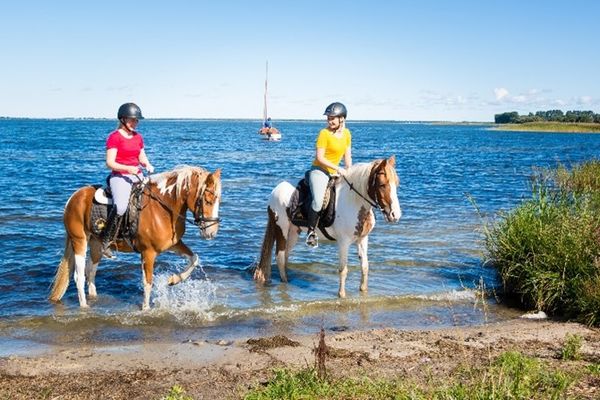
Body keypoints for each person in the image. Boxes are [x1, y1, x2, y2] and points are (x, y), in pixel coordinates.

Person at [101, 102, 154, 258]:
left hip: (137, 175)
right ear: (123, 119)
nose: (135, 123)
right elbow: (109, 162)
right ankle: (106, 241)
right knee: (121, 207)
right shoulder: (114, 137)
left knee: (154, 199)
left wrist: (147, 164)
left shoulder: (138, 137)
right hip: (120, 176)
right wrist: (127, 169)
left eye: (136, 120)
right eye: (132, 120)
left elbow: (141, 157)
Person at [305, 102, 352, 248]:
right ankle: (311, 232)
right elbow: (320, 158)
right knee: (318, 201)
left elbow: (348, 157)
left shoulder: (347, 134)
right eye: (328, 118)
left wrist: (349, 171)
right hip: (320, 170)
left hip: (337, 172)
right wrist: (338, 169)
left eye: (333, 118)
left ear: (342, 119)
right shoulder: (323, 133)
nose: (329, 121)